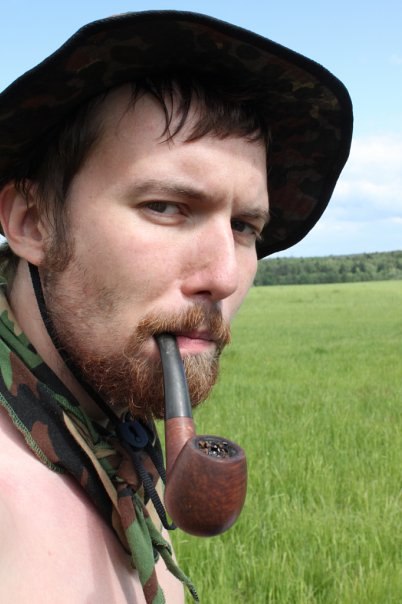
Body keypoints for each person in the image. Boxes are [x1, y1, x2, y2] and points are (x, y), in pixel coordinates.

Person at [0, 10, 353, 604]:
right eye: (165, 207)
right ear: (33, 222)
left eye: (244, 226)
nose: (224, 276)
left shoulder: (117, 442)